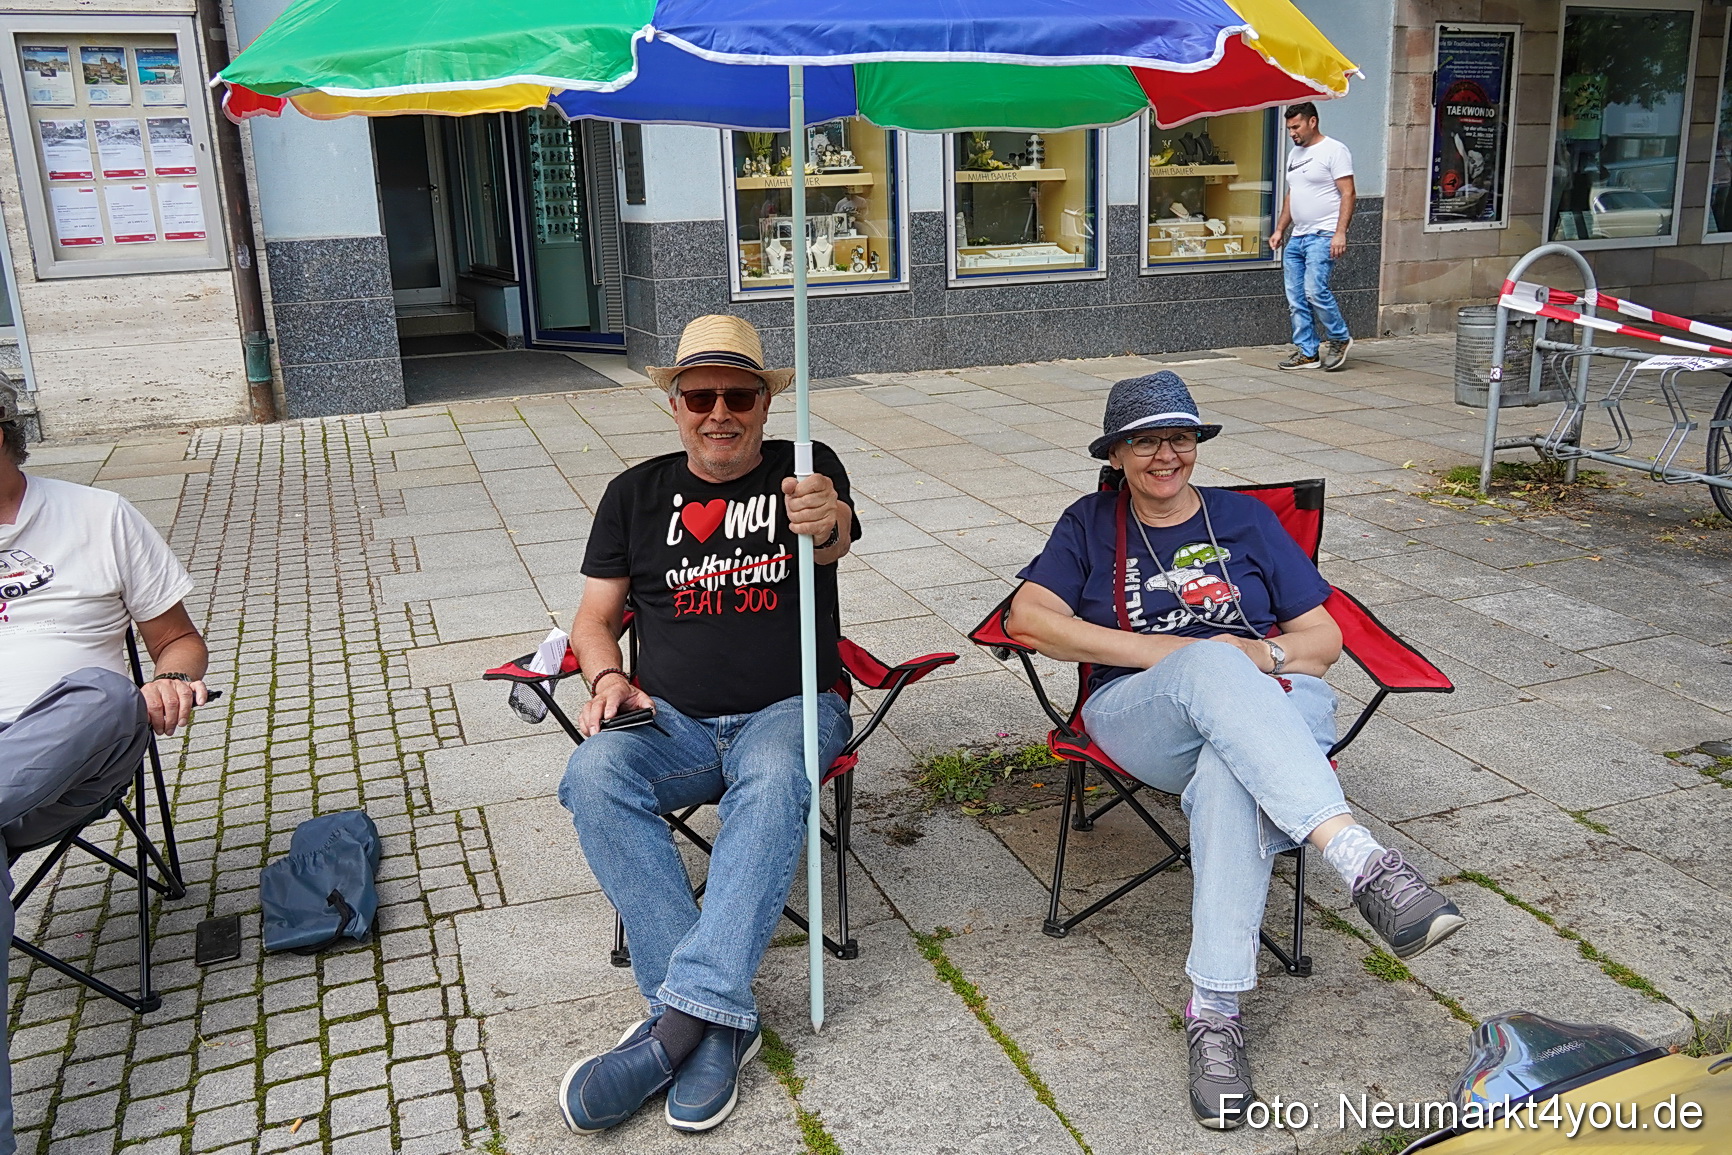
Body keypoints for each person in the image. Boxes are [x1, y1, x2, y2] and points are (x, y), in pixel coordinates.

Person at [1007, 371, 1466, 1131]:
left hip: (1274, 702)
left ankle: (1214, 1012)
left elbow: (1324, 641)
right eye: (1146, 440)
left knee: (1231, 770)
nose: (1166, 454)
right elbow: (1029, 618)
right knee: (1210, 660)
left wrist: (1257, 662)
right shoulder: (1089, 522)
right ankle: (1358, 858)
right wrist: (1179, 656)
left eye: (1179, 436)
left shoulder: (1246, 521)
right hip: (1143, 712)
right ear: (1117, 453)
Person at [555, 315, 858, 1135]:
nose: (718, 411)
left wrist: (821, 516)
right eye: (699, 394)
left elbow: (831, 540)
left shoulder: (807, 469)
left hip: (790, 706)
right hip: (676, 721)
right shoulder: (635, 493)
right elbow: (592, 620)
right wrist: (608, 674)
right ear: (676, 405)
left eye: (738, 394)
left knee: (773, 773)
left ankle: (676, 1028)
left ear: (764, 403)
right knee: (593, 773)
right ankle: (716, 1019)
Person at [0, 380, 209, 1155]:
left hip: (80, 745)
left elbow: (180, 643)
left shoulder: (98, 516)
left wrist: (171, 682)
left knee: (101, 691)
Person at [1270, 101, 1356, 372]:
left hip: (1323, 233)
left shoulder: (1334, 150)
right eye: (1289, 128)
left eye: (1296, 127)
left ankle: (1340, 337)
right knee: (1295, 298)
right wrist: (1280, 229)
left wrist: (1340, 233)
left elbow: (1348, 193)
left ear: (1312, 122)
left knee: (1314, 290)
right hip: (1299, 235)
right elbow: (1292, 194)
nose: (1292, 133)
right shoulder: (1294, 154)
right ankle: (1307, 352)